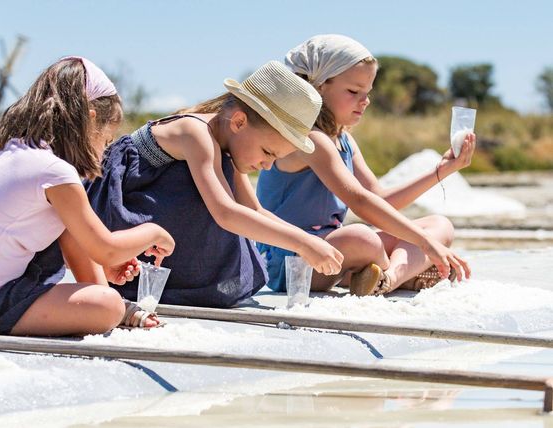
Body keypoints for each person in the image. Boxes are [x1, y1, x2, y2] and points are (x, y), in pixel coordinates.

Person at [85, 61, 344, 308]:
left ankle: (186, 284)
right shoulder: (195, 132)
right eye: (267, 152)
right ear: (239, 122)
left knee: (236, 215)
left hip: (162, 218)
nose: (267, 165)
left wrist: (310, 240)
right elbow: (225, 212)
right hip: (125, 213)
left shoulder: (227, 147)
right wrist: (302, 243)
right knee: (221, 211)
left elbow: (253, 210)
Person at [257, 35, 474, 295]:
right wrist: (425, 245)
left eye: (367, 93)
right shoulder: (308, 138)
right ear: (318, 87)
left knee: (439, 225)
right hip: (290, 262)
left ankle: (387, 278)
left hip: (332, 251)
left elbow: (380, 200)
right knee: (363, 238)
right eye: (353, 91)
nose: (365, 100)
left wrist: (443, 170)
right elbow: (360, 202)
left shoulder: (344, 139)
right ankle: (401, 273)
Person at [0, 57, 175, 336]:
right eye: (106, 140)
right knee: (107, 306)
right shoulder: (54, 171)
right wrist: (153, 232)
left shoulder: (18, 154)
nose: (103, 152)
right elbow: (105, 248)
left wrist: (102, 281)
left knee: (107, 300)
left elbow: (75, 241)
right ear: (90, 120)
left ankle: (114, 304)